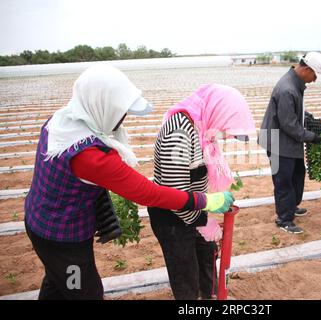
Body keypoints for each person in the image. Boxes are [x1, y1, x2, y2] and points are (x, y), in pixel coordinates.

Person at [24, 64, 234, 300]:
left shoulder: (62, 120)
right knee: (84, 291)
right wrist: (205, 200)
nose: (122, 117)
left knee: (58, 282)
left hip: (38, 220)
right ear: (101, 104)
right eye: (120, 110)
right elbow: (148, 193)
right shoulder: (91, 157)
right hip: (62, 238)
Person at [148, 84, 255, 300]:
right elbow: (173, 192)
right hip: (173, 218)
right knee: (186, 273)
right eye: (226, 128)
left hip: (192, 210)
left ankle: (212, 296)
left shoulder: (201, 127)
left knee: (206, 257)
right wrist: (202, 214)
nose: (225, 136)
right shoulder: (179, 131)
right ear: (218, 111)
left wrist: (201, 217)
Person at [257, 52, 321, 234]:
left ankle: (290, 206)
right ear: (306, 69)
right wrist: (312, 137)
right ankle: (284, 219)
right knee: (284, 181)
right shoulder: (287, 89)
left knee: (297, 175)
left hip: (288, 140)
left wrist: (306, 116)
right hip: (279, 142)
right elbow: (289, 125)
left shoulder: (296, 84)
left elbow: (292, 114)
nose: (314, 80)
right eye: (315, 75)